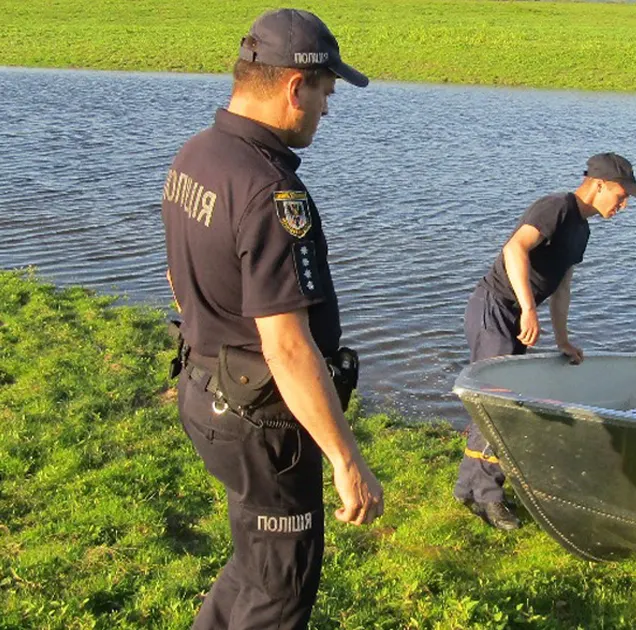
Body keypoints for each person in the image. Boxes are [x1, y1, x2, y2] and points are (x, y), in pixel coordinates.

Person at [160, 9, 383, 628]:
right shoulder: (270, 193)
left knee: (254, 561)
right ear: (294, 87)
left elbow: (183, 278)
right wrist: (347, 460)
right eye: (325, 93)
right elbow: (287, 347)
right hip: (262, 425)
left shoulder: (196, 156)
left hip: (205, 392)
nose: (326, 110)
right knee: (281, 584)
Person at [453, 153, 636, 530]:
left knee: (496, 402)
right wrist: (528, 308)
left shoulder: (582, 231)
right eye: (621, 196)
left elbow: (562, 287)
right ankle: (489, 498)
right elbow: (515, 249)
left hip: (513, 314)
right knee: (498, 404)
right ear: (599, 184)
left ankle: (468, 489)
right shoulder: (555, 207)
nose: (623, 205)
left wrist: (562, 339)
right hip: (494, 308)